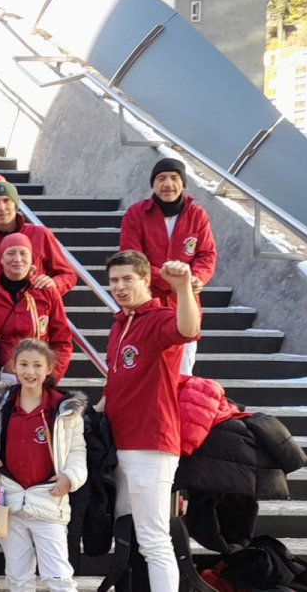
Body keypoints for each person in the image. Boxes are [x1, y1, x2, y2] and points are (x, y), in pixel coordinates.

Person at [104, 250, 201, 591]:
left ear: (146, 280)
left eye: (128, 279)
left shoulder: (159, 318)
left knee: (154, 539)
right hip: (122, 444)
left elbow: (188, 329)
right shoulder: (121, 323)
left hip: (151, 445)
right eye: (114, 280)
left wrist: (184, 287)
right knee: (129, 536)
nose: (119, 286)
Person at [0, 339, 87, 592]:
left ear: (49, 368)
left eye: (37, 365)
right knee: (17, 577)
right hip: (10, 501)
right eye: (24, 364)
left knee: (58, 577)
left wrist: (70, 478)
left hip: (48, 500)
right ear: (13, 367)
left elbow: (77, 452)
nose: (30, 372)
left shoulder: (64, 408)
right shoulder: (2, 404)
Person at [119, 158, 216, 375]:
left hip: (184, 304)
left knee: (182, 372)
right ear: (153, 184)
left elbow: (206, 254)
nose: (167, 184)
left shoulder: (197, 215)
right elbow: (131, 258)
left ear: (183, 183)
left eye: (174, 178)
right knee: (144, 370)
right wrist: (171, 280)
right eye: (161, 178)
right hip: (145, 303)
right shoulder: (136, 214)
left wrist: (196, 279)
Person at [0, 233, 73, 385]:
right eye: (10, 253)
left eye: (23, 253)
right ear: (1, 259)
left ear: (31, 259)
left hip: (37, 378)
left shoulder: (47, 291)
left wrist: (51, 377)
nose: (17, 259)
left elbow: (62, 341)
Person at [0, 182, 76, 295]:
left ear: (15, 205)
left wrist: (54, 283)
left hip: (34, 306)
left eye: (7, 201)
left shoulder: (40, 234)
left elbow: (68, 275)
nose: (2, 207)